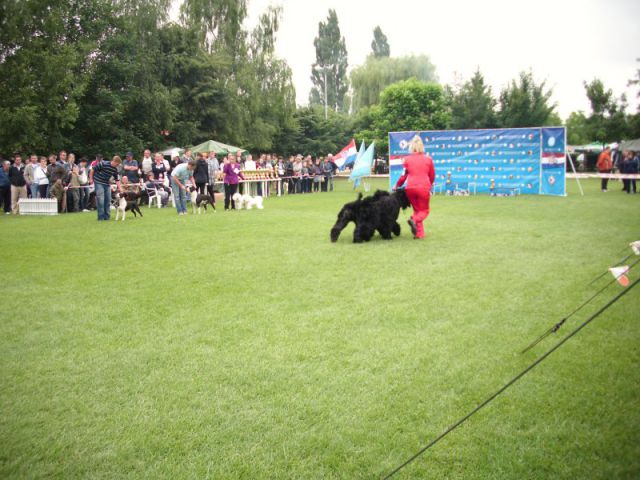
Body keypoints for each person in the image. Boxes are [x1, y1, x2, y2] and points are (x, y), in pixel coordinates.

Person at [394, 135, 435, 240]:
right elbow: (432, 176)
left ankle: (419, 234)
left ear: (411, 146)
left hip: (410, 188)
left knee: (417, 210)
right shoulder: (428, 159)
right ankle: (414, 219)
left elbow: (403, 176)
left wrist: (397, 185)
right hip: (423, 188)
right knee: (425, 210)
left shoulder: (407, 159)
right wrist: (429, 185)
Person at [89, 155, 121, 221]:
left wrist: (120, 188)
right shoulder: (103, 164)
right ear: (114, 161)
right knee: (100, 200)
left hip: (107, 184)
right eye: (117, 164)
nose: (117, 165)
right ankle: (101, 218)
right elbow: (93, 169)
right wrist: (91, 179)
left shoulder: (115, 169)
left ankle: (107, 217)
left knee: (108, 200)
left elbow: (117, 179)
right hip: (98, 182)